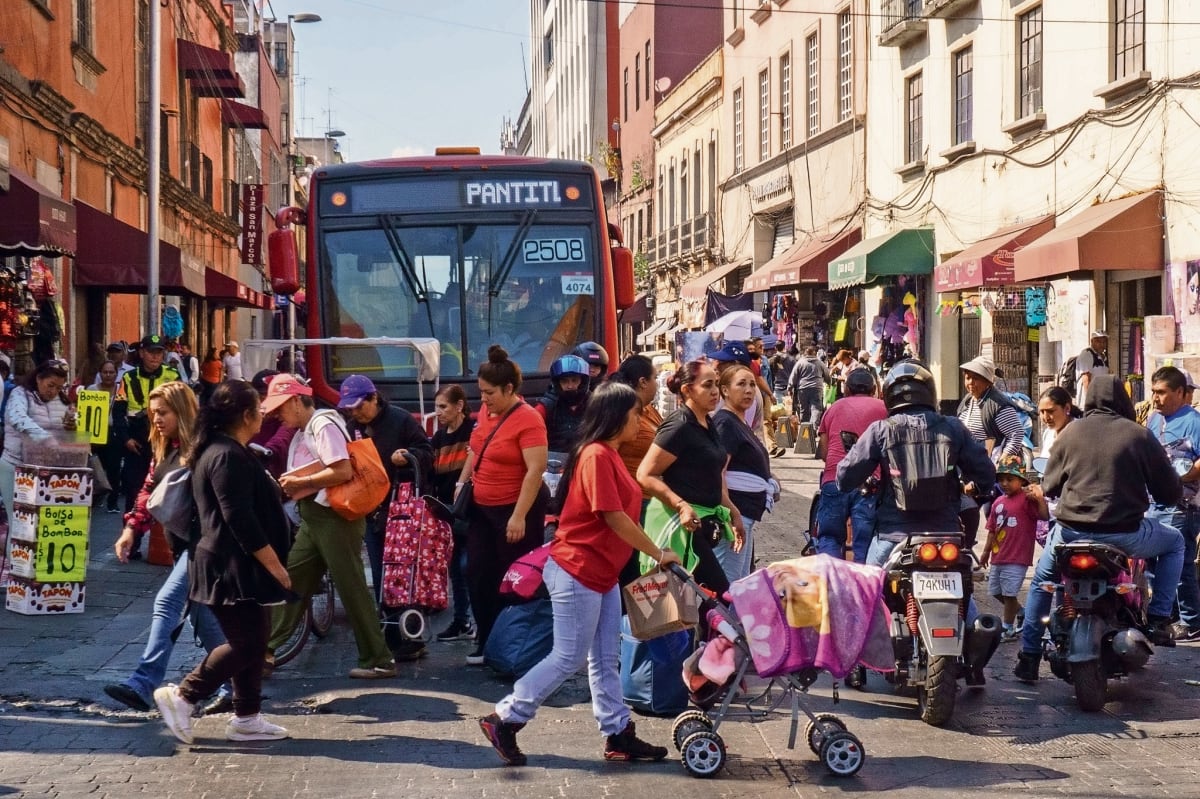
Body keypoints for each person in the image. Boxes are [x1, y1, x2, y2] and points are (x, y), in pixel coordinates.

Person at [479, 381, 679, 767]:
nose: (640, 420)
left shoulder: (610, 454)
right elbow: (613, 515)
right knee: (568, 656)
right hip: (577, 569)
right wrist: (657, 552)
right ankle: (506, 717)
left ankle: (618, 732)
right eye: (636, 413)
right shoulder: (596, 456)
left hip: (599, 572)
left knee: (605, 659)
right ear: (616, 416)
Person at [1014, 375, 1186, 682]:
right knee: (1174, 543)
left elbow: (1050, 487)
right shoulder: (1139, 435)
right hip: (1125, 534)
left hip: (1069, 534)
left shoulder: (1069, 434)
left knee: (1042, 582)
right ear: (1122, 400)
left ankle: (1028, 656)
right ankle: (1160, 618)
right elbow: (1169, 493)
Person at [837, 359, 998, 685]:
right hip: (947, 536)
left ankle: (855, 662)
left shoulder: (881, 430)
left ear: (890, 395)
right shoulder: (953, 427)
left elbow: (844, 476)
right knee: (965, 597)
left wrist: (863, 480)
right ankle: (976, 662)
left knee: (862, 593)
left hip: (894, 537)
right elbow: (986, 473)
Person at [152, 381, 293, 745]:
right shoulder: (224, 455)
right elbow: (238, 518)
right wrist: (275, 565)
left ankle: (247, 717)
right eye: (259, 408)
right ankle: (183, 696)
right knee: (245, 643)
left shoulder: (228, 449)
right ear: (246, 415)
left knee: (255, 639)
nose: (264, 413)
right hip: (228, 565)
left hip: (239, 565)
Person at [104, 382, 231, 716]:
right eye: (152, 412)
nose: (156, 419)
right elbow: (149, 489)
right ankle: (234, 686)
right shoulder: (165, 448)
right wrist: (132, 528)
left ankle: (143, 682)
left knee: (166, 602)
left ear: (182, 411)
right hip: (185, 545)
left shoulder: (204, 447)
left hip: (205, 545)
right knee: (204, 620)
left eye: (163, 412)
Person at [266, 374, 398, 679]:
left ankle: (379, 658)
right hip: (316, 516)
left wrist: (302, 482)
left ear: (297, 402)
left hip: (334, 517)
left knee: (351, 587)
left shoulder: (322, 425)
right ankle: (265, 649)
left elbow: (342, 469)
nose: (277, 416)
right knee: (294, 577)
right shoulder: (306, 428)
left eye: (281, 409)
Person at [456, 346, 549, 665]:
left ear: (509, 389)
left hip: (515, 510)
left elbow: (535, 470)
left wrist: (519, 516)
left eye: (489, 393)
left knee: (514, 579)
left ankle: (511, 643)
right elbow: (474, 448)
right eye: (480, 392)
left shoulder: (529, 420)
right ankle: (486, 640)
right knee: (477, 572)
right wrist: (461, 485)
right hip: (482, 509)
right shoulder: (486, 412)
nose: (483, 399)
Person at [637, 360, 745, 597]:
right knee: (720, 597)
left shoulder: (707, 422)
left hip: (702, 519)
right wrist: (681, 505)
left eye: (716, 384)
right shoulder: (679, 425)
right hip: (678, 523)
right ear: (687, 390)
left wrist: (734, 512)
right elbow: (645, 474)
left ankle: (704, 636)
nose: (715, 391)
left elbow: (714, 476)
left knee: (698, 601)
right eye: (708, 385)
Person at [338, 375, 432, 618]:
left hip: (402, 509)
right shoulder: (352, 429)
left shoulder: (401, 420)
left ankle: (409, 628)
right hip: (371, 510)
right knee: (380, 572)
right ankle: (388, 626)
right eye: (350, 409)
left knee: (403, 571)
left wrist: (408, 455)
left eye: (359, 406)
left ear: (374, 398)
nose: (355, 413)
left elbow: (427, 452)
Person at [1143, 366, 1200, 642]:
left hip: (1182, 505)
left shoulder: (1194, 421)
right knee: (1153, 564)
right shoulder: (1153, 420)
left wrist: (1187, 475)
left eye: (1163, 392)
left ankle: (1191, 621)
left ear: (1180, 392)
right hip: (1153, 503)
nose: (1157, 398)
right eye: (1154, 392)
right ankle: (1168, 615)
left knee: (1181, 565)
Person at [113, 334, 181, 556]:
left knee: (170, 490)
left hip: (165, 442)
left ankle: (171, 546)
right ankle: (131, 544)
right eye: (151, 352)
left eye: (159, 352)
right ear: (141, 353)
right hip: (137, 441)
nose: (155, 356)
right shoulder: (128, 378)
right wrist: (125, 440)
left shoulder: (173, 375)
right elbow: (119, 411)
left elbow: (184, 409)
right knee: (134, 491)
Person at [712, 365, 777, 582]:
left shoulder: (740, 422)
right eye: (741, 384)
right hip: (735, 514)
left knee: (740, 582)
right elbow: (717, 471)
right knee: (729, 583)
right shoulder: (725, 423)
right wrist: (731, 512)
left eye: (752, 384)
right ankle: (721, 617)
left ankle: (732, 617)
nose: (749, 390)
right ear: (725, 390)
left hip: (745, 514)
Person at [815, 368, 887, 561]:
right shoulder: (883, 408)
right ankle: (862, 587)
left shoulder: (834, 408)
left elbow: (824, 452)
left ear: (846, 389)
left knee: (829, 536)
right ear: (874, 389)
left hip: (835, 479)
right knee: (864, 542)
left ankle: (829, 583)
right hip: (870, 483)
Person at [957, 355, 1026, 549]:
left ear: (988, 381)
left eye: (975, 378)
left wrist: (1000, 463)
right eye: (967, 377)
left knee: (994, 514)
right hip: (970, 467)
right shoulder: (968, 402)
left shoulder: (997, 404)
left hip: (990, 468)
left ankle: (1001, 555)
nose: (970, 382)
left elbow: (1016, 433)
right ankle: (967, 551)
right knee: (965, 511)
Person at [979, 455, 1048, 642]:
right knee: (995, 591)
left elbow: (1043, 515)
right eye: (1001, 479)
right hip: (998, 556)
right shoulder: (998, 502)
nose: (1005, 483)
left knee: (1009, 594)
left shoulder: (1027, 499)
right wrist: (985, 552)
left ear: (1021, 480)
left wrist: (1040, 499)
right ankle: (1022, 611)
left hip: (1018, 557)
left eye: (1010, 479)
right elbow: (992, 529)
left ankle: (1008, 628)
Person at [0, 359, 75, 525]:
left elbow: (68, 431)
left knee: (43, 524)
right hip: (16, 466)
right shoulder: (19, 394)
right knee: (20, 523)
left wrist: (71, 426)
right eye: (50, 385)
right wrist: (46, 439)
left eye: (59, 387)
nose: (54, 391)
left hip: (48, 470)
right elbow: (18, 418)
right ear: (38, 378)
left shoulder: (61, 401)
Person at [429, 385, 476, 643]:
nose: (438, 412)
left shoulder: (473, 432)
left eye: (443, 407)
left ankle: (473, 619)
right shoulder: (437, 439)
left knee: (466, 566)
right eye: (437, 407)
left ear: (459, 406)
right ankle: (461, 620)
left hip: (471, 509)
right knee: (456, 569)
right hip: (447, 512)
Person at [88, 360, 124, 513]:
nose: (108, 375)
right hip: (95, 434)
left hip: (114, 433)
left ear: (116, 374)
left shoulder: (122, 391)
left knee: (114, 469)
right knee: (95, 467)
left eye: (111, 372)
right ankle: (96, 498)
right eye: (105, 372)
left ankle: (113, 502)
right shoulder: (92, 390)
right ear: (100, 374)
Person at [536, 354, 591, 454]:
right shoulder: (546, 406)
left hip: (586, 461)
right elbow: (529, 428)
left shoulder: (595, 403)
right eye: (564, 381)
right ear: (557, 383)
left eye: (574, 380)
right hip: (553, 465)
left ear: (582, 382)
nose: (570, 386)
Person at [248, 370, 296, 479]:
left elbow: (283, 436)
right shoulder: (249, 418)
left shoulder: (288, 418)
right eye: (262, 397)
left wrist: (267, 451)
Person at [789, 346, 831, 430]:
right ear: (814, 353)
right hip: (816, 388)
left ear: (805, 354)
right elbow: (827, 374)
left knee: (804, 409)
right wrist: (829, 382)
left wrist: (790, 387)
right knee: (816, 408)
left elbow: (793, 376)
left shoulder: (800, 363)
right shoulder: (820, 363)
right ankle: (813, 428)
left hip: (803, 388)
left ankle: (805, 430)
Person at [1036, 386, 1080, 458]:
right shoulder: (1048, 433)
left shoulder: (1081, 433)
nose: (1045, 417)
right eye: (1042, 411)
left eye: (1050, 411)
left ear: (1067, 408)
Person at [1075, 331, 1110, 407]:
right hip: (1088, 403)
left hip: (1100, 402)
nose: (1101, 344)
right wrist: (1090, 402)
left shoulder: (1103, 357)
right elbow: (1086, 380)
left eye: (1104, 342)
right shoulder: (1087, 355)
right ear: (1092, 341)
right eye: (1098, 341)